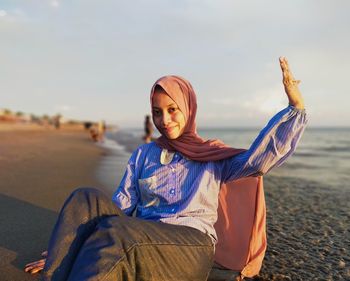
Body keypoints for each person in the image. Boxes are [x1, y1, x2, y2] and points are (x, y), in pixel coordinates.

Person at [24, 57, 307, 280]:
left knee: (119, 232)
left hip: (190, 248)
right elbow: (120, 206)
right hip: (141, 239)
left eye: (173, 110)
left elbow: (260, 159)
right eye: (157, 112)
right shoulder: (144, 154)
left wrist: (295, 108)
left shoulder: (212, 155)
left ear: (189, 108)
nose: (165, 120)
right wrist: (71, 245)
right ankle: (58, 269)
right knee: (85, 198)